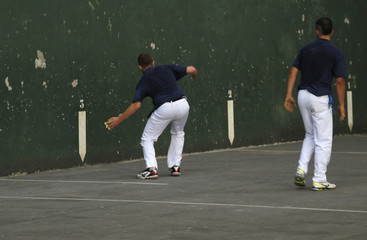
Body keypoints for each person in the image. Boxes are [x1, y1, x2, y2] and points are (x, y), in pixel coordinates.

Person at [106, 53, 197, 179]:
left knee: (147, 139)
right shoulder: (166, 68)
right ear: (153, 63)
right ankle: (175, 166)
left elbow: (136, 105)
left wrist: (118, 120)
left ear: (140, 67)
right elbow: (192, 69)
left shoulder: (143, 81)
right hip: (183, 104)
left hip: (165, 108)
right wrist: (194, 76)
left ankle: (152, 169)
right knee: (178, 133)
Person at [284, 17, 346, 191]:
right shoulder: (336, 52)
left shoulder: (305, 49)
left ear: (316, 31)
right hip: (320, 98)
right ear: (332, 32)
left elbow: (293, 70)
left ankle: (301, 170)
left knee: (310, 135)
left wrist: (289, 95)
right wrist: (342, 104)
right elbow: (340, 81)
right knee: (324, 140)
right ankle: (319, 179)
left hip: (303, 95)